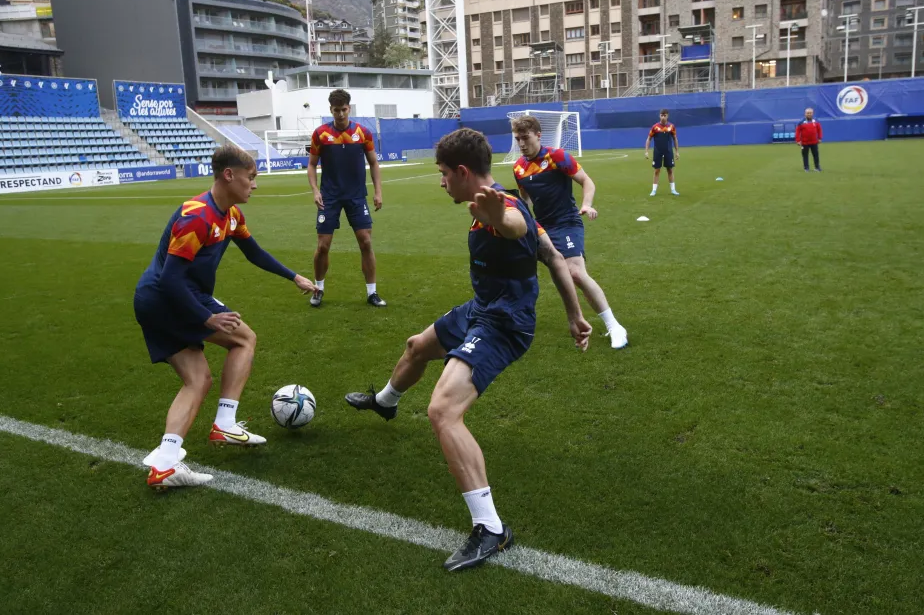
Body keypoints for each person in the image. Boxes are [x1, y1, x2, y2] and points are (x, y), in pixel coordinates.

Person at [344, 128, 592, 572]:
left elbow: (515, 226)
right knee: (417, 347)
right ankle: (385, 403)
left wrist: (502, 220)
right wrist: (574, 316)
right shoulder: (492, 202)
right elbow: (553, 256)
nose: (440, 182)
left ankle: (491, 529)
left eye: (442, 173)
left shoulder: (504, 205)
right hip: (481, 308)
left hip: (504, 323)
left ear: (462, 172)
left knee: (442, 410)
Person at [135, 144, 316, 489]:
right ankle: (224, 423)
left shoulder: (230, 215)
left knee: (198, 379)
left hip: (163, 299)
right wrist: (207, 318)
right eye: (251, 177)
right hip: (168, 298)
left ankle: (165, 465)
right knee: (244, 337)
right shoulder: (197, 216)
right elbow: (171, 278)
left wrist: (293, 276)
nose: (255, 185)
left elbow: (253, 252)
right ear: (229, 175)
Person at [511, 115, 628, 349]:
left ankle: (615, 326)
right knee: (515, 269)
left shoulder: (557, 157)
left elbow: (587, 181)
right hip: (541, 228)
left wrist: (586, 204)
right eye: (517, 139)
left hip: (566, 222)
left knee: (574, 272)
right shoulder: (519, 168)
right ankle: (508, 323)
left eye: (525, 138)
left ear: (538, 135)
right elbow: (525, 200)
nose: (522, 144)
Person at [307, 88, 385, 308]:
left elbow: (374, 163)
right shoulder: (320, 134)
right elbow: (312, 165)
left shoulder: (363, 133)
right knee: (323, 246)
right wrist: (315, 190)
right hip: (329, 196)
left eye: (343, 109)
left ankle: (372, 292)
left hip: (356, 196)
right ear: (330, 110)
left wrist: (378, 191)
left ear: (349, 108)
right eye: (336, 110)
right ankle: (318, 288)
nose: (340, 114)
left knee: (366, 242)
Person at [644, 109, 679, 196]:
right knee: (657, 170)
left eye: (665, 115)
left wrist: (677, 152)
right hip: (658, 152)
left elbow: (675, 138)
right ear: (659, 116)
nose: (663, 117)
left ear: (667, 116)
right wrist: (646, 151)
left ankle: (673, 190)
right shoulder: (655, 127)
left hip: (668, 151)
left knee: (670, 170)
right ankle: (654, 190)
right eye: (661, 115)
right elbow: (649, 139)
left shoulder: (671, 126)